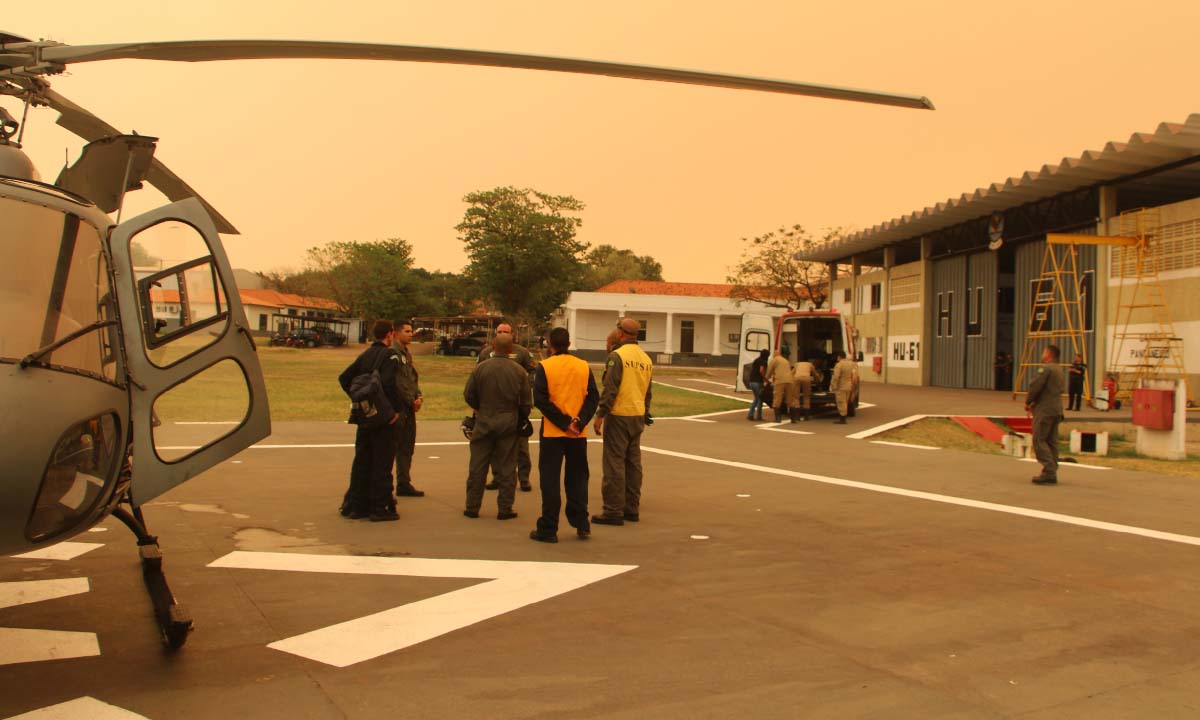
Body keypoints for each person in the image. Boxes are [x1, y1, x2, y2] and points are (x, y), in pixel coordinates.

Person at [529, 327, 599, 543]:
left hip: (553, 432)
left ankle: (549, 528)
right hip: (578, 433)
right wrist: (579, 420)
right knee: (578, 478)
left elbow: (541, 400)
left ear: (550, 344)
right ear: (569, 344)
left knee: (550, 480)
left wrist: (563, 422)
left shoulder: (545, 366)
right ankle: (581, 523)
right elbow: (593, 398)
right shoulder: (583, 366)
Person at [337, 320, 402, 522]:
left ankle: (357, 505)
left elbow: (344, 378)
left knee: (362, 460)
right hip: (383, 418)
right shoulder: (390, 355)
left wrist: (359, 397)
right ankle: (379, 506)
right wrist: (395, 410)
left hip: (365, 416)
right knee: (382, 462)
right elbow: (390, 384)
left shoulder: (365, 354)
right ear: (390, 334)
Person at [463, 332, 532, 519]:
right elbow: (526, 401)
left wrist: (480, 408)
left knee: (478, 465)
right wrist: (520, 416)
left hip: (484, 419)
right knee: (508, 466)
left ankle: (472, 506)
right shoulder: (519, 371)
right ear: (511, 349)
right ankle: (505, 508)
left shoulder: (481, 368)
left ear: (493, 347)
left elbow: (468, 394)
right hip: (509, 421)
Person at [592, 317, 653, 526]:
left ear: (620, 333)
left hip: (619, 415)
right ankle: (631, 508)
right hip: (637, 414)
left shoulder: (617, 356)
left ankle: (612, 511)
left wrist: (600, 414)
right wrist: (646, 412)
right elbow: (648, 391)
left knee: (614, 463)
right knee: (633, 463)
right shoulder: (646, 358)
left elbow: (610, 389)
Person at [477, 322, 539, 493]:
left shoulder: (522, 353)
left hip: (516, 406)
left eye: (506, 331)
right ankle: (497, 477)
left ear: (513, 334)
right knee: (495, 447)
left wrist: (526, 384)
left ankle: (524, 478)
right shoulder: (485, 353)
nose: (503, 333)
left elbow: (535, 371)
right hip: (492, 407)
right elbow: (477, 377)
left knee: (521, 446)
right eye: (499, 331)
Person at [390, 321, 426, 498]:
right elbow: (397, 383)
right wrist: (411, 400)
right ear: (396, 333)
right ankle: (386, 485)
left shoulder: (406, 353)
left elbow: (411, 379)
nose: (411, 334)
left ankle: (403, 482)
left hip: (409, 407)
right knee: (392, 447)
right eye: (407, 331)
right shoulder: (393, 353)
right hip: (398, 407)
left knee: (407, 446)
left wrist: (418, 396)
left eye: (411, 331)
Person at [1026, 344, 1066, 485]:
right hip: (1057, 409)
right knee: (1051, 441)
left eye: (1044, 351)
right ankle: (1052, 469)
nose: (1042, 354)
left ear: (1049, 354)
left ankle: (1049, 470)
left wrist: (1029, 401)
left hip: (1045, 409)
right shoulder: (1060, 369)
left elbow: (1036, 386)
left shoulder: (1046, 369)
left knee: (1039, 439)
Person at [763, 347, 796, 423]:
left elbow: (769, 371)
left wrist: (766, 380)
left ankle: (778, 418)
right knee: (790, 399)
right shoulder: (786, 361)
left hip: (780, 381)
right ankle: (793, 418)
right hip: (790, 381)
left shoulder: (774, 360)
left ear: (775, 354)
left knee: (777, 399)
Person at [829, 350, 857, 425]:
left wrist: (832, 386)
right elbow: (854, 375)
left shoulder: (839, 365)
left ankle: (842, 419)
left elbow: (836, 377)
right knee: (846, 401)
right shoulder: (851, 364)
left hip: (841, 386)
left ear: (839, 357)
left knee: (841, 402)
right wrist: (853, 385)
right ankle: (843, 417)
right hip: (849, 385)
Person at [746, 349, 769, 421]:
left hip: (751, 382)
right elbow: (761, 370)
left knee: (756, 399)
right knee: (760, 399)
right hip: (758, 382)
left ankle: (750, 414)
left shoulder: (756, 360)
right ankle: (759, 416)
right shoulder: (763, 362)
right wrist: (766, 379)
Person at [791, 356, 816, 422]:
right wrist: (818, 380)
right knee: (806, 396)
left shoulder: (797, 364)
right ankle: (806, 416)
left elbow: (792, 373)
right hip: (806, 378)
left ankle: (797, 416)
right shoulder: (810, 364)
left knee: (796, 397)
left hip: (797, 378)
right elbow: (814, 373)